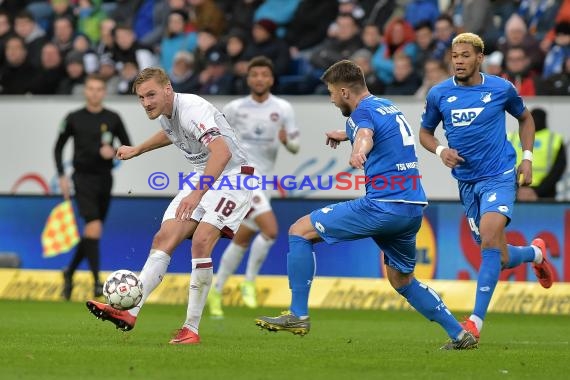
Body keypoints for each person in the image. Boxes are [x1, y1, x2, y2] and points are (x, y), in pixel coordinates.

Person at [256, 59, 478, 350]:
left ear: (345, 91)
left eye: (333, 93)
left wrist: (357, 151)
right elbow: (374, 130)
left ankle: (298, 314)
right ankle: (460, 335)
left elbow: (365, 134)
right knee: (402, 280)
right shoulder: (385, 105)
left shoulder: (361, 113)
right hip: (411, 207)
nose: (333, 99)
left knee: (300, 231)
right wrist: (345, 134)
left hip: (383, 206)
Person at [85, 67, 253, 345]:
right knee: (164, 237)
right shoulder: (168, 114)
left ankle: (191, 328)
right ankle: (129, 312)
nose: (146, 102)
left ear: (167, 89)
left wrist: (196, 194)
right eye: (141, 98)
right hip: (204, 175)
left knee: (200, 241)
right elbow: (171, 134)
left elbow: (221, 153)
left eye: (151, 94)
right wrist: (137, 149)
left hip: (236, 177)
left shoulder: (192, 110)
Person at [419, 32, 555, 342]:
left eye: (465, 56)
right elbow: (425, 133)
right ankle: (536, 253)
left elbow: (526, 118)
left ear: (480, 58)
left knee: (490, 238)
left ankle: (475, 322)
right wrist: (441, 151)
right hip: (467, 183)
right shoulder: (439, 94)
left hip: (500, 175)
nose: (458, 61)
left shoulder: (500, 88)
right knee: (500, 256)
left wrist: (528, 159)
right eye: (455, 56)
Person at [207, 56, 300, 317]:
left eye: (264, 75)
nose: (259, 79)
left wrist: (286, 141)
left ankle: (217, 290)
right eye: (255, 74)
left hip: (265, 181)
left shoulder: (282, 108)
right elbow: (217, 138)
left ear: (271, 79)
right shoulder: (235, 108)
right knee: (270, 230)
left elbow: (295, 145)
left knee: (242, 238)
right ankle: (249, 281)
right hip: (242, 177)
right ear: (248, 79)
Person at [54, 74, 131, 300]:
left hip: (104, 178)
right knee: (94, 227)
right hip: (82, 178)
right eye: (91, 88)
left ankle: (69, 272)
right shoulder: (73, 117)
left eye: (99, 89)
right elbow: (58, 148)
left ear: (104, 92)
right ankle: (97, 282)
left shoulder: (113, 118)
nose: (95, 92)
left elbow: (128, 146)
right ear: (85, 91)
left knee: (92, 232)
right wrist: (61, 175)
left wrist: (115, 150)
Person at [508, 108, 567, 201]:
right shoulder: (513, 137)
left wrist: (537, 191)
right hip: (515, 192)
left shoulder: (555, 139)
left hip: (544, 196)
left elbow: (558, 169)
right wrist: (517, 189)